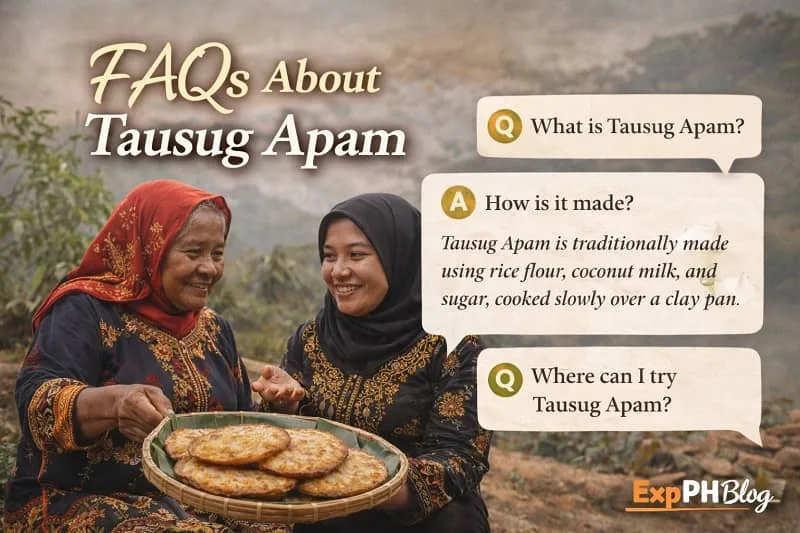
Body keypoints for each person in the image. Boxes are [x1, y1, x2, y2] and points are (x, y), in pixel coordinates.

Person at [3, 179, 288, 533]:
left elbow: (240, 428)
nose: (210, 268)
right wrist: (114, 403)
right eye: (193, 251)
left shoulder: (215, 329)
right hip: (82, 497)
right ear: (151, 248)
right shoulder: (85, 310)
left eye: (217, 253)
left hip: (197, 499)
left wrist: (279, 406)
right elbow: (34, 402)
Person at [253, 193, 492, 533]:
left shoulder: (454, 347)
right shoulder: (310, 338)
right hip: (327, 508)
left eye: (357, 255)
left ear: (400, 257)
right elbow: (285, 443)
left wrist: (373, 483)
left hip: (418, 516)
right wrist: (285, 406)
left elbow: (460, 456)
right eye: (329, 256)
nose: (338, 271)